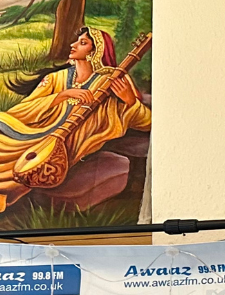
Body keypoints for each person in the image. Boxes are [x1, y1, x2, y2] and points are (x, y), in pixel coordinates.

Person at [0, 27, 150, 212]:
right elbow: (23, 109)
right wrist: (63, 95)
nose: (73, 45)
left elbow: (148, 122)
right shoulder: (56, 79)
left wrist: (129, 101)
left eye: (83, 42)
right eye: (77, 41)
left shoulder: (111, 82)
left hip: (66, 145)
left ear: (96, 52)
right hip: (35, 134)